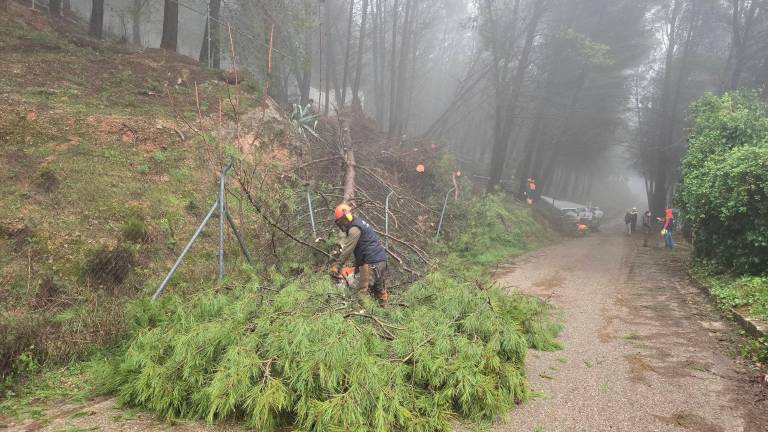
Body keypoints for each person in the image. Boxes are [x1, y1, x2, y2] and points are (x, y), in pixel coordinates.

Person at [330, 203, 389, 307]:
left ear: (346, 218)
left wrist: (337, 266)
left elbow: (347, 250)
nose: (341, 225)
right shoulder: (360, 223)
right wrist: (357, 267)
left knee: (362, 292)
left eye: (341, 221)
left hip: (371, 262)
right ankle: (384, 315)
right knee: (380, 292)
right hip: (381, 260)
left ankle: (363, 319)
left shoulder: (354, 229)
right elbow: (363, 247)